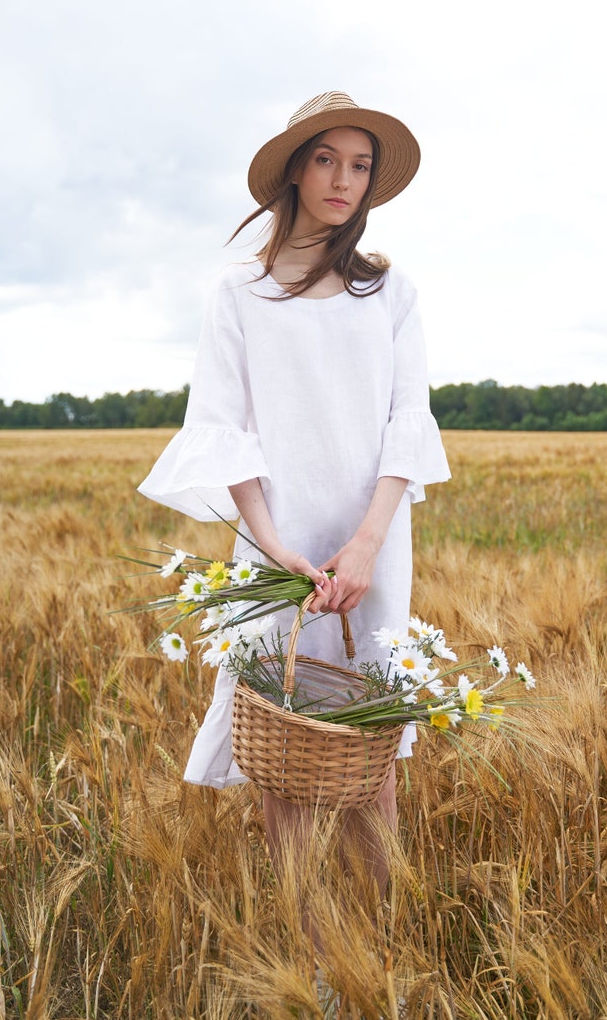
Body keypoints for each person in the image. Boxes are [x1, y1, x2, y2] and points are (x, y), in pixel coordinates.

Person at [138, 90, 450, 897]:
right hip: (278, 542)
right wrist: (276, 548)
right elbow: (223, 425)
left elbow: (405, 425)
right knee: (279, 753)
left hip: (370, 540)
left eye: (360, 165)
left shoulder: (389, 291)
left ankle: (374, 958)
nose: (345, 179)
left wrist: (369, 544)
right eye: (327, 159)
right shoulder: (240, 293)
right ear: (294, 169)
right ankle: (312, 959)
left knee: (368, 744)